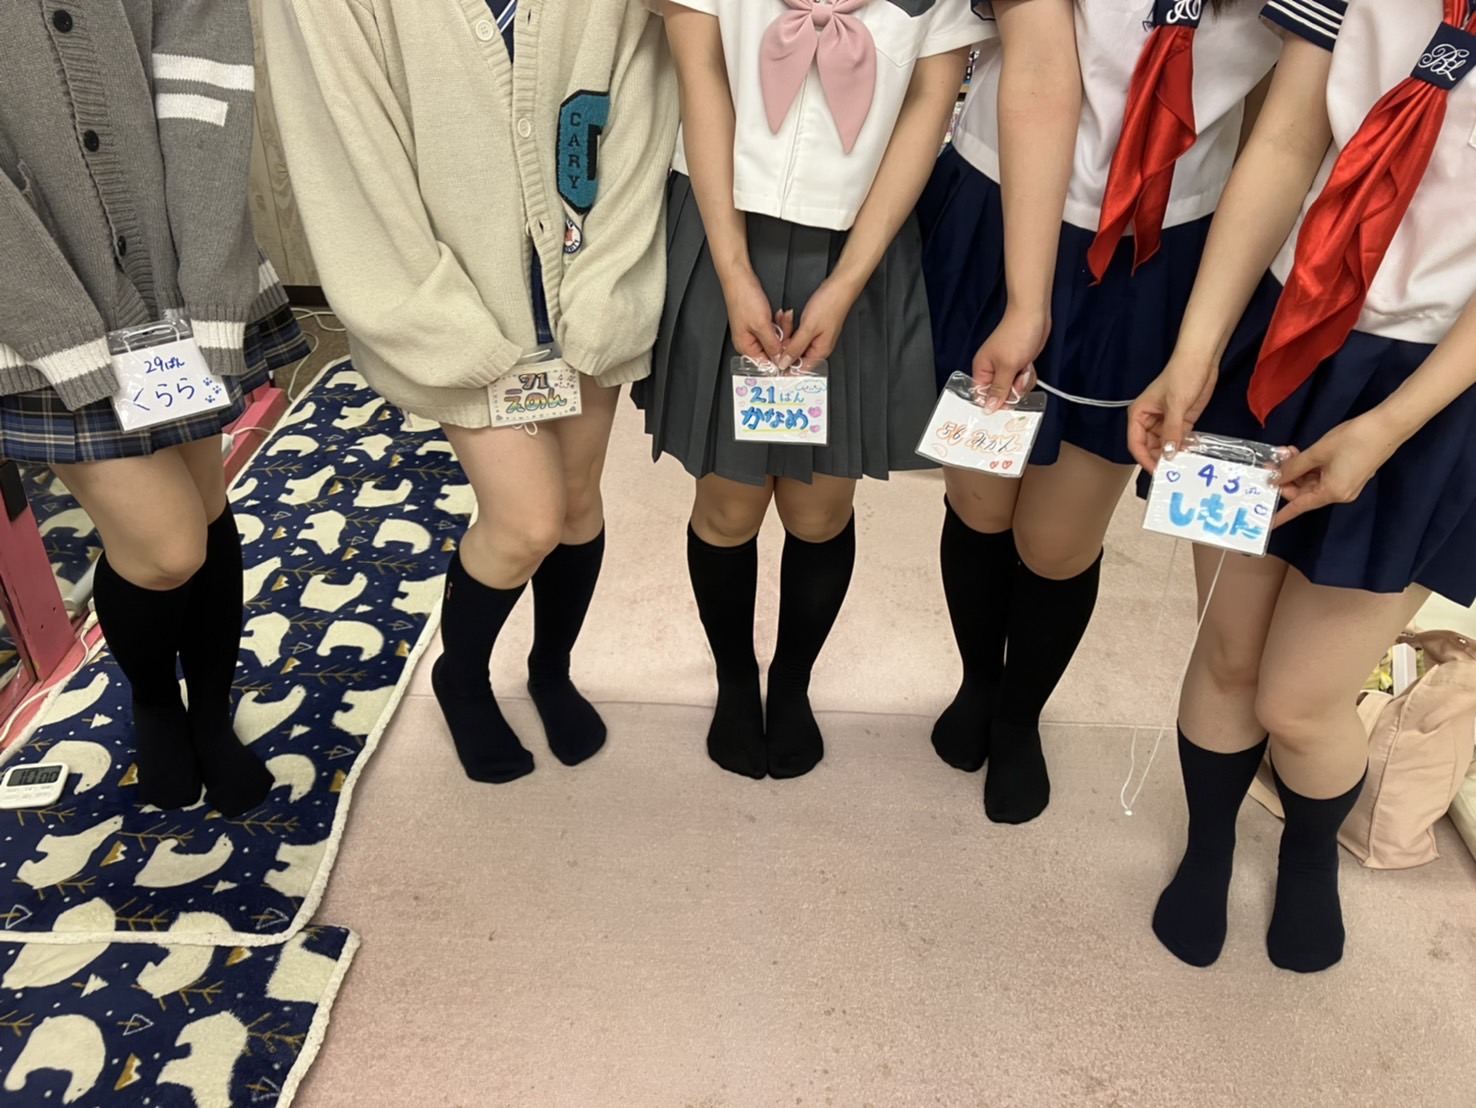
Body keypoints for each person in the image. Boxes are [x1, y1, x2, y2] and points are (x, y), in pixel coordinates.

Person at [1129, 0, 1476, 972]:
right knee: (1229, 653)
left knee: (1301, 698)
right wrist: (1197, 351)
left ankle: (1311, 848)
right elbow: (1286, 139)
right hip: (1285, 331)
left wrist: (1389, 426)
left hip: (1436, 385)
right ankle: (1208, 844)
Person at [261, 0, 678, 783]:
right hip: (462, 294)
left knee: (578, 502)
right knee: (527, 521)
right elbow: (344, 145)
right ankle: (462, 674)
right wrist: (438, 322)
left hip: (585, 278)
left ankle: (550, 670)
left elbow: (645, 93)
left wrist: (608, 287)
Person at [917, 0, 1280, 823]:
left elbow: (1281, 116)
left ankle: (1019, 715)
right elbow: (1040, 66)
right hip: (1005, 197)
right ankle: (978, 682)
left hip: (1164, 241)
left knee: (1057, 540)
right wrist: (1027, 302)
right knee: (979, 498)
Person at [636, 0, 987, 781]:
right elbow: (699, 69)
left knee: (820, 508)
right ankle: (736, 680)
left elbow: (931, 98)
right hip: (723, 221)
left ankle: (791, 682)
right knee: (727, 504)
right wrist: (732, 270)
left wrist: (849, 280)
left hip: (862, 239)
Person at [0, 1, 307, 816]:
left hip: (173, 257)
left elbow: (204, 61)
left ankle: (208, 712)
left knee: (204, 504)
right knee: (166, 546)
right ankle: (154, 699)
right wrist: (51, 321)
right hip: (28, 288)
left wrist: (206, 267)